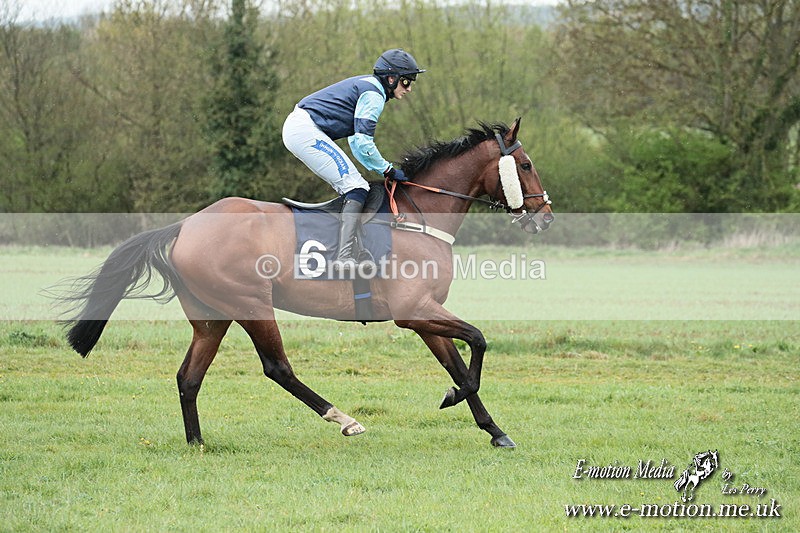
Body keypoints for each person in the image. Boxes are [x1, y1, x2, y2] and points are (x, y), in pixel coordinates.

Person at [282, 48, 425, 273]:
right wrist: (387, 168)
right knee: (356, 186)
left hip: (301, 128)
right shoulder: (374, 95)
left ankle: (342, 244)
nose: (409, 89)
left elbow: (357, 145)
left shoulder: (370, 87)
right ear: (391, 78)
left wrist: (381, 169)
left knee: (353, 187)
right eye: (406, 82)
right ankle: (343, 256)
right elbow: (363, 143)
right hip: (304, 130)